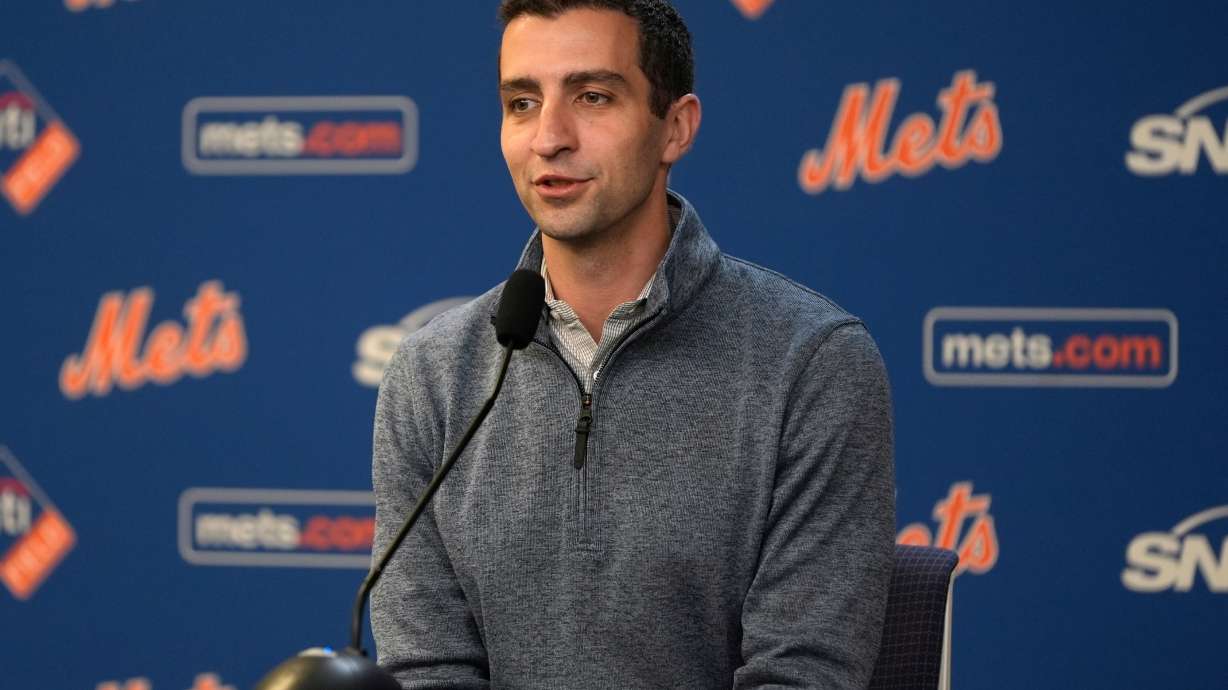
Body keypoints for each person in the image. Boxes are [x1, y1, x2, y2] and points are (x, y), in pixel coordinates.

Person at [370, 1, 896, 687]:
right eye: (522, 103)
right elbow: (425, 670)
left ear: (675, 128)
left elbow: (802, 676)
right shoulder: (431, 374)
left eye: (592, 97)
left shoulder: (813, 363)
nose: (550, 138)